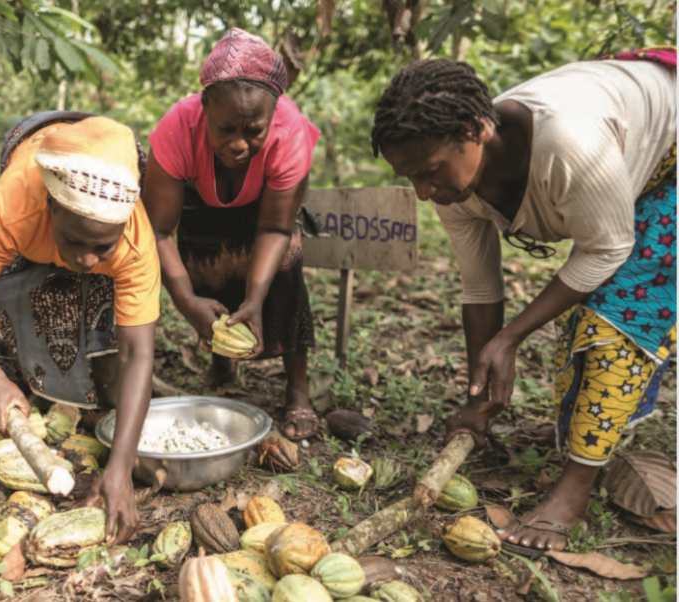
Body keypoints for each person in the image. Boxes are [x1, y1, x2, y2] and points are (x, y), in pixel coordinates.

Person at [371, 48, 676, 554]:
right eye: (411, 179)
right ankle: (588, 445)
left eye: (430, 171)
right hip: (621, 151)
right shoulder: (455, 188)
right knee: (580, 323)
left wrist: (512, 336)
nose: (424, 192)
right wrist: (477, 401)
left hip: (670, 145)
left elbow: (607, 249)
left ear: (474, 128)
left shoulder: (567, 145)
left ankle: (575, 493)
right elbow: (481, 287)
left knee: (620, 313)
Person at [0, 114, 161, 544]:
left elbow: (137, 353)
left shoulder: (134, 241)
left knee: (104, 339)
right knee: (28, 295)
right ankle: (18, 370)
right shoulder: (17, 202)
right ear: (50, 207)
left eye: (102, 246)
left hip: (77, 206)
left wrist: (121, 465)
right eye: (75, 241)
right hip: (32, 155)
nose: (87, 259)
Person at [142, 28, 321, 440]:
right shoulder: (177, 128)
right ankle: (222, 362)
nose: (239, 144)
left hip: (266, 210)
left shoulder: (289, 133)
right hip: (200, 202)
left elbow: (275, 226)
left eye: (253, 130)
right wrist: (185, 300)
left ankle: (297, 389)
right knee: (204, 256)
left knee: (287, 256)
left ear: (272, 117)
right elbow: (159, 231)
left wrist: (255, 299)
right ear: (204, 107)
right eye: (225, 128)